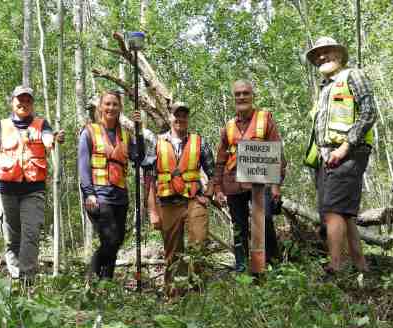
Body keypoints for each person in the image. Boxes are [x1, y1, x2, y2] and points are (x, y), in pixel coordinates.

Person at [303, 37, 377, 273]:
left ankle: (335, 267)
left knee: (334, 210)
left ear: (339, 54)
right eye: (317, 55)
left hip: (348, 153)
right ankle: (360, 265)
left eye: (327, 52)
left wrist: (345, 147)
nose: (321, 57)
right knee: (343, 213)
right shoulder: (325, 88)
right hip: (327, 157)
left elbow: (369, 112)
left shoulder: (353, 76)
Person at [0, 86, 64, 280]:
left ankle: (28, 280)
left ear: (32, 104)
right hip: (6, 190)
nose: (23, 103)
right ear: (12, 102)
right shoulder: (0, 126)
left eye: (28, 100)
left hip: (33, 190)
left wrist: (52, 139)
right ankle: (16, 278)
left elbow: (48, 137)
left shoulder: (42, 125)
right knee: (12, 238)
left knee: (31, 232)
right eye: (20, 99)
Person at [212, 80, 286, 273]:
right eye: (238, 94)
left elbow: (277, 153)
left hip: (259, 182)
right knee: (239, 227)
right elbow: (220, 160)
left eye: (245, 93)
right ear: (233, 98)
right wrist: (217, 188)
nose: (241, 97)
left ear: (252, 96)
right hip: (233, 183)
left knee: (265, 221)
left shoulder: (265, 119)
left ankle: (273, 264)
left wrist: (277, 185)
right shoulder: (228, 126)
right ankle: (242, 266)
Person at [146, 102, 215, 296]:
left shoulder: (199, 141)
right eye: (177, 115)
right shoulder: (157, 142)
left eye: (184, 115)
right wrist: (152, 210)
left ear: (188, 118)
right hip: (168, 203)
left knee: (198, 246)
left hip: (194, 200)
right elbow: (149, 179)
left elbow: (213, 173)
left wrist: (208, 195)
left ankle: (197, 294)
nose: (180, 119)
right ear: (170, 117)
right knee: (173, 252)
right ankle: (174, 295)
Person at [77, 91, 141, 280]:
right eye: (107, 104)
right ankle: (91, 277)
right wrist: (88, 193)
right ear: (100, 107)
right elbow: (83, 164)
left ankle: (106, 285)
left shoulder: (126, 135)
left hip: (120, 196)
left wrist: (139, 129)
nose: (111, 108)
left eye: (115, 104)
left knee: (115, 241)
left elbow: (139, 158)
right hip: (98, 195)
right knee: (111, 239)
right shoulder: (89, 131)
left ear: (120, 108)